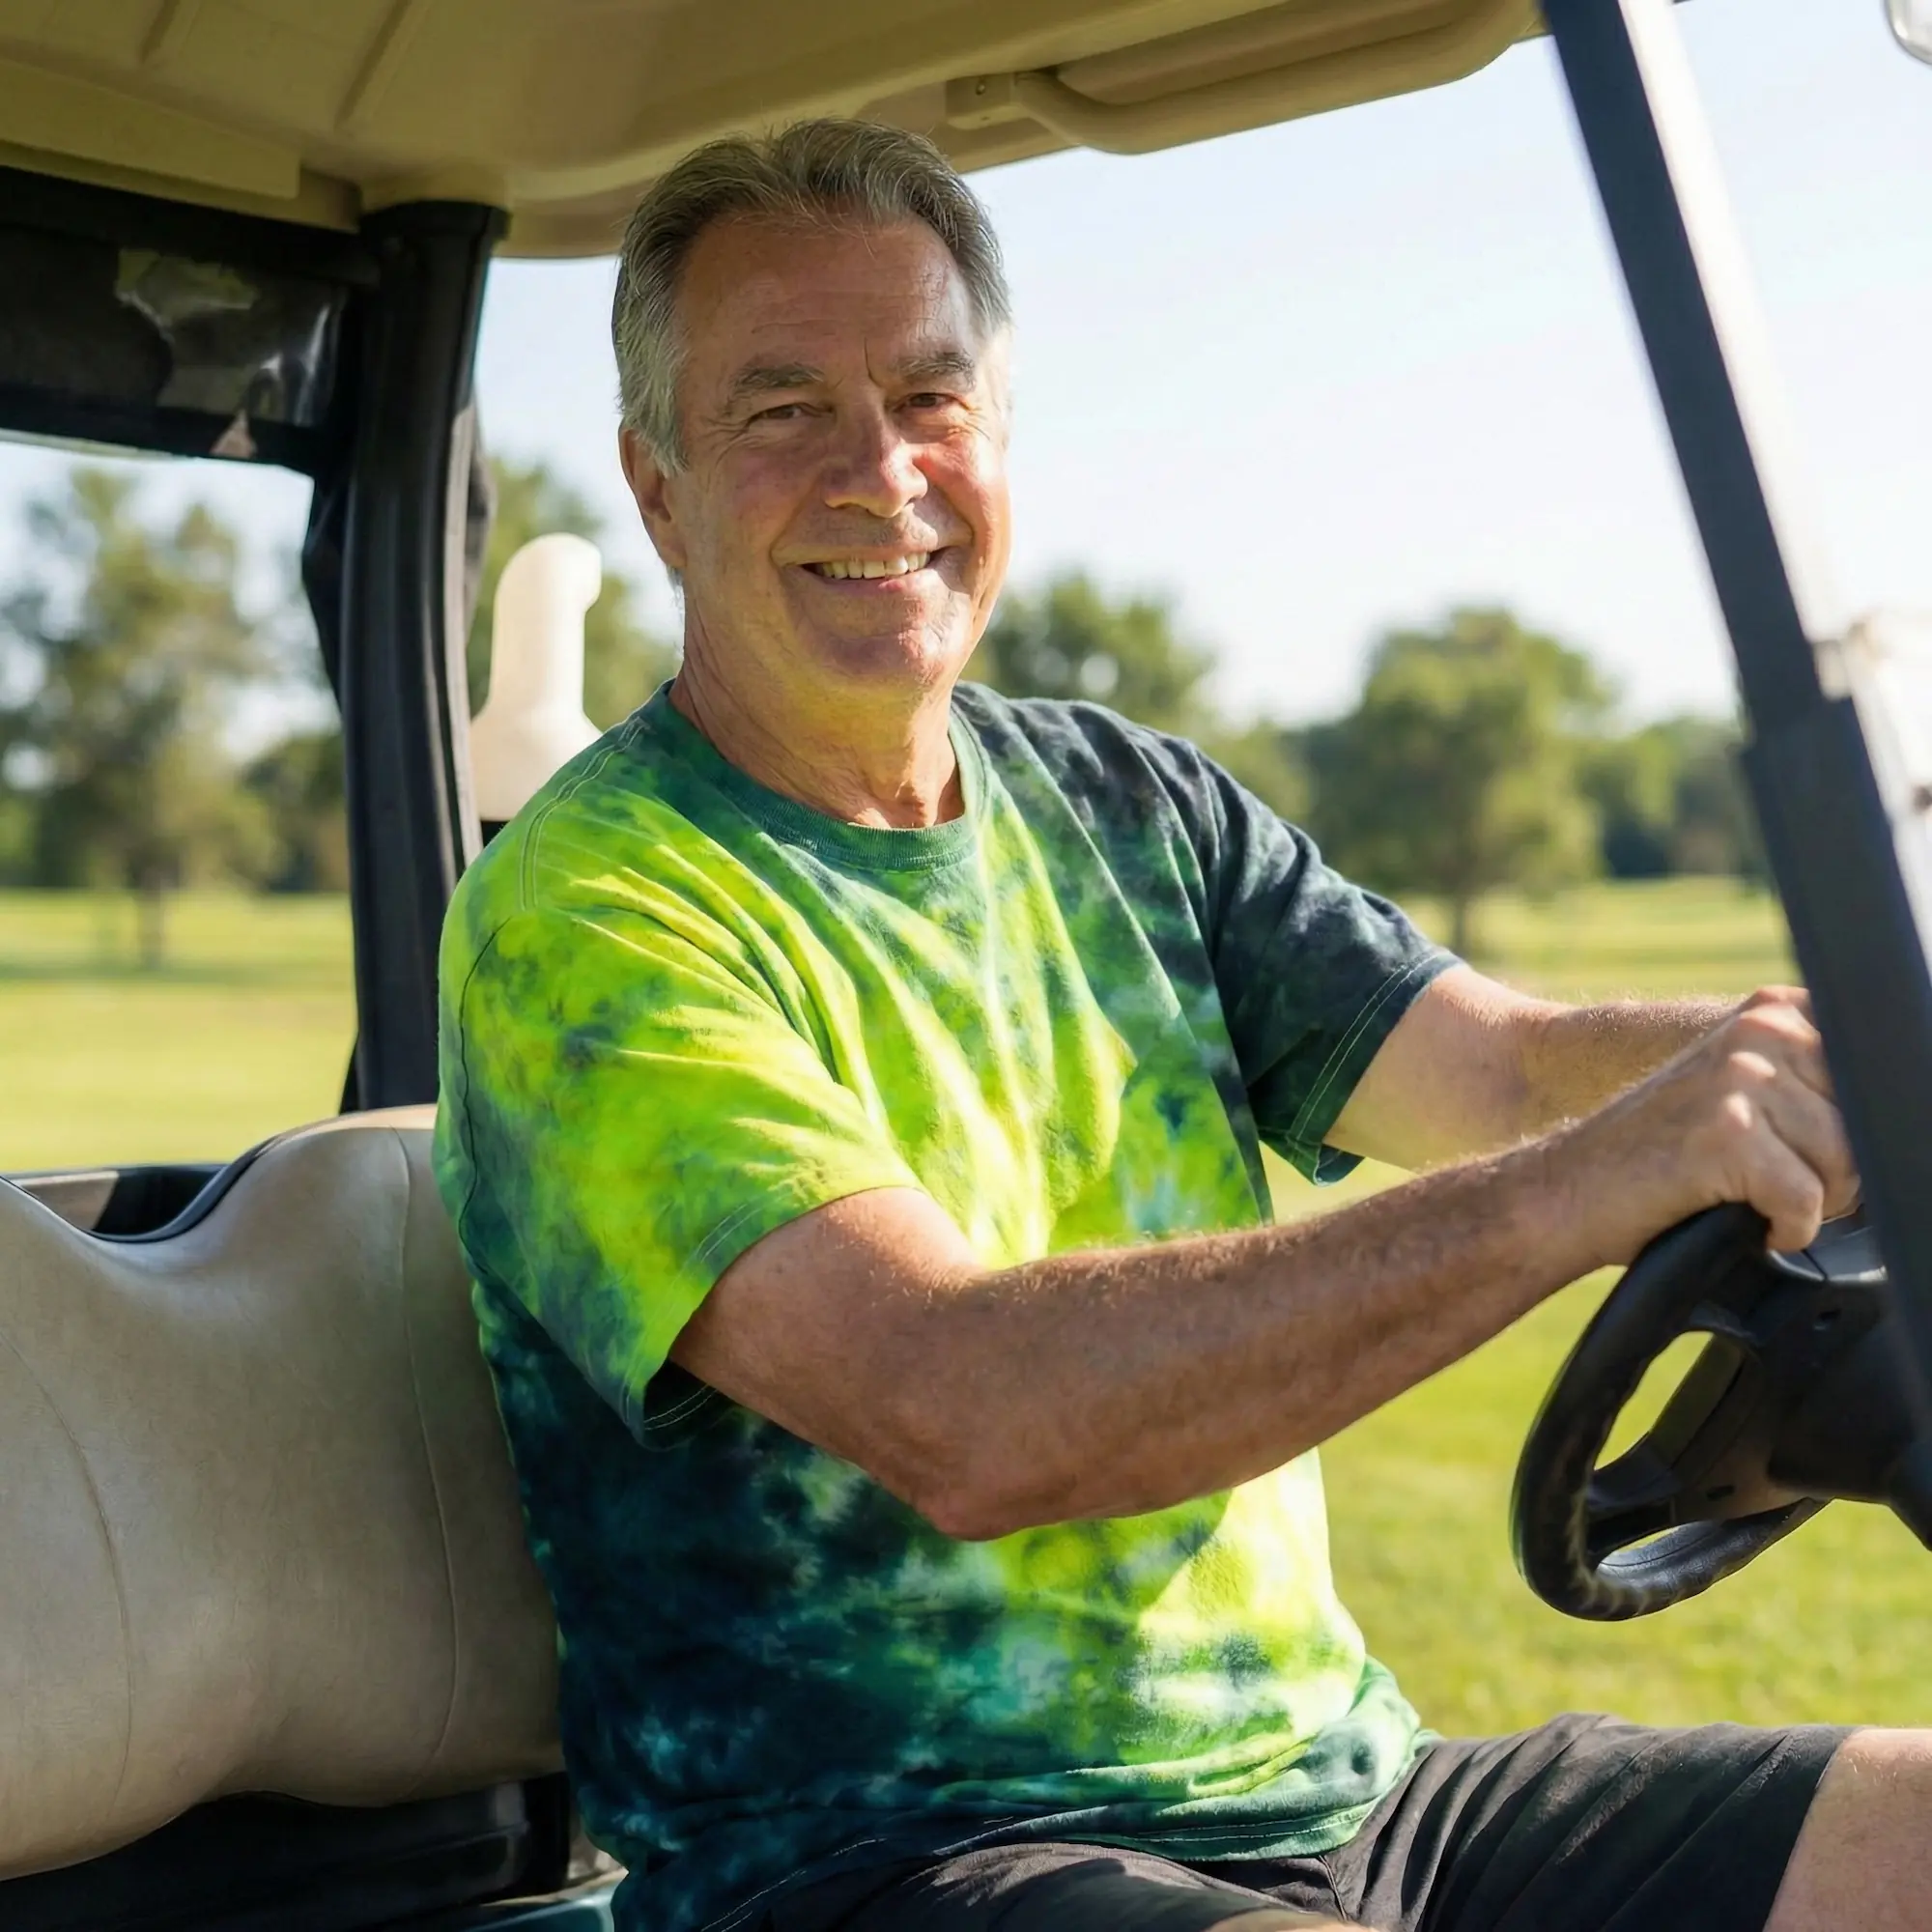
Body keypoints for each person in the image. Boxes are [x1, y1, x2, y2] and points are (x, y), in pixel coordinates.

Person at [432, 120, 1923, 1932]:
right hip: (884, 1856)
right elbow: (958, 1407)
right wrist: (1592, 1184)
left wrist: (1869, 1065)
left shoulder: (1130, 805)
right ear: (659, 489)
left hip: (1352, 1797)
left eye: (929, 397)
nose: (879, 472)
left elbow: (1506, 1070)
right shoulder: (590, 914)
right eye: (782, 409)